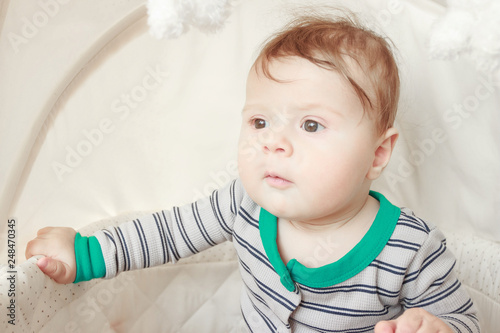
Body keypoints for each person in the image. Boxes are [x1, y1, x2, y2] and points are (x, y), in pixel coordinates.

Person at [25, 13, 480, 333]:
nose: (273, 142)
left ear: (378, 155)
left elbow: (465, 320)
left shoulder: (411, 249)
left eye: (311, 125)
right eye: (260, 122)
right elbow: (165, 233)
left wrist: (438, 327)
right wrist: (82, 255)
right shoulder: (243, 202)